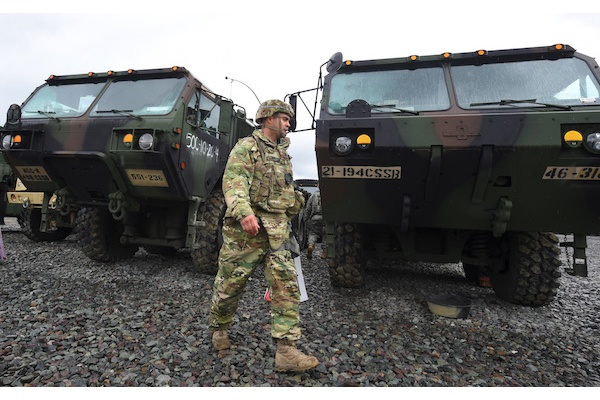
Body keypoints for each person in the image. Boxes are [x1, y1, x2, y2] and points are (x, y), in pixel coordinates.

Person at [208, 99, 320, 372]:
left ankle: (286, 350)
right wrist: (243, 212)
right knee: (229, 286)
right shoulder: (248, 147)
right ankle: (219, 327)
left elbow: (284, 191)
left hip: (278, 231)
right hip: (247, 231)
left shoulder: (283, 155)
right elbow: (234, 182)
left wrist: (296, 203)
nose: (288, 124)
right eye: (284, 118)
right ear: (269, 118)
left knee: (286, 287)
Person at [304, 188, 323, 259]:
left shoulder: (314, 195)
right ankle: (324, 252)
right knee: (325, 235)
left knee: (313, 233)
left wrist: (306, 218)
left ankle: (310, 245)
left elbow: (308, 208)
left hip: (314, 217)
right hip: (325, 218)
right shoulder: (328, 193)